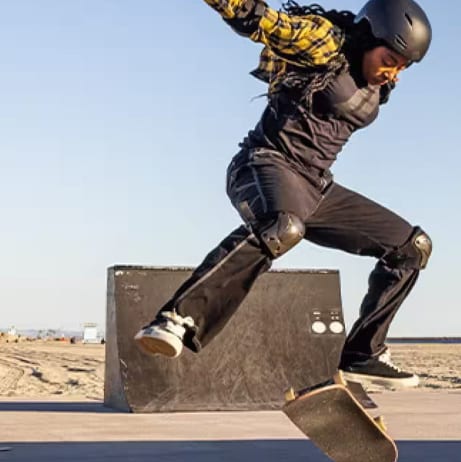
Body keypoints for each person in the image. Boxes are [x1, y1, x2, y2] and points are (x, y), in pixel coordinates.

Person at [134, 0, 434, 388]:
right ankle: (178, 318)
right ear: (368, 38)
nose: (393, 73)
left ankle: (364, 352)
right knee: (283, 227)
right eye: (389, 60)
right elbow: (264, 22)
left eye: (403, 67)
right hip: (263, 164)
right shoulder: (325, 45)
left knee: (412, 247)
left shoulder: (381, 82)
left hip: (316, 186)